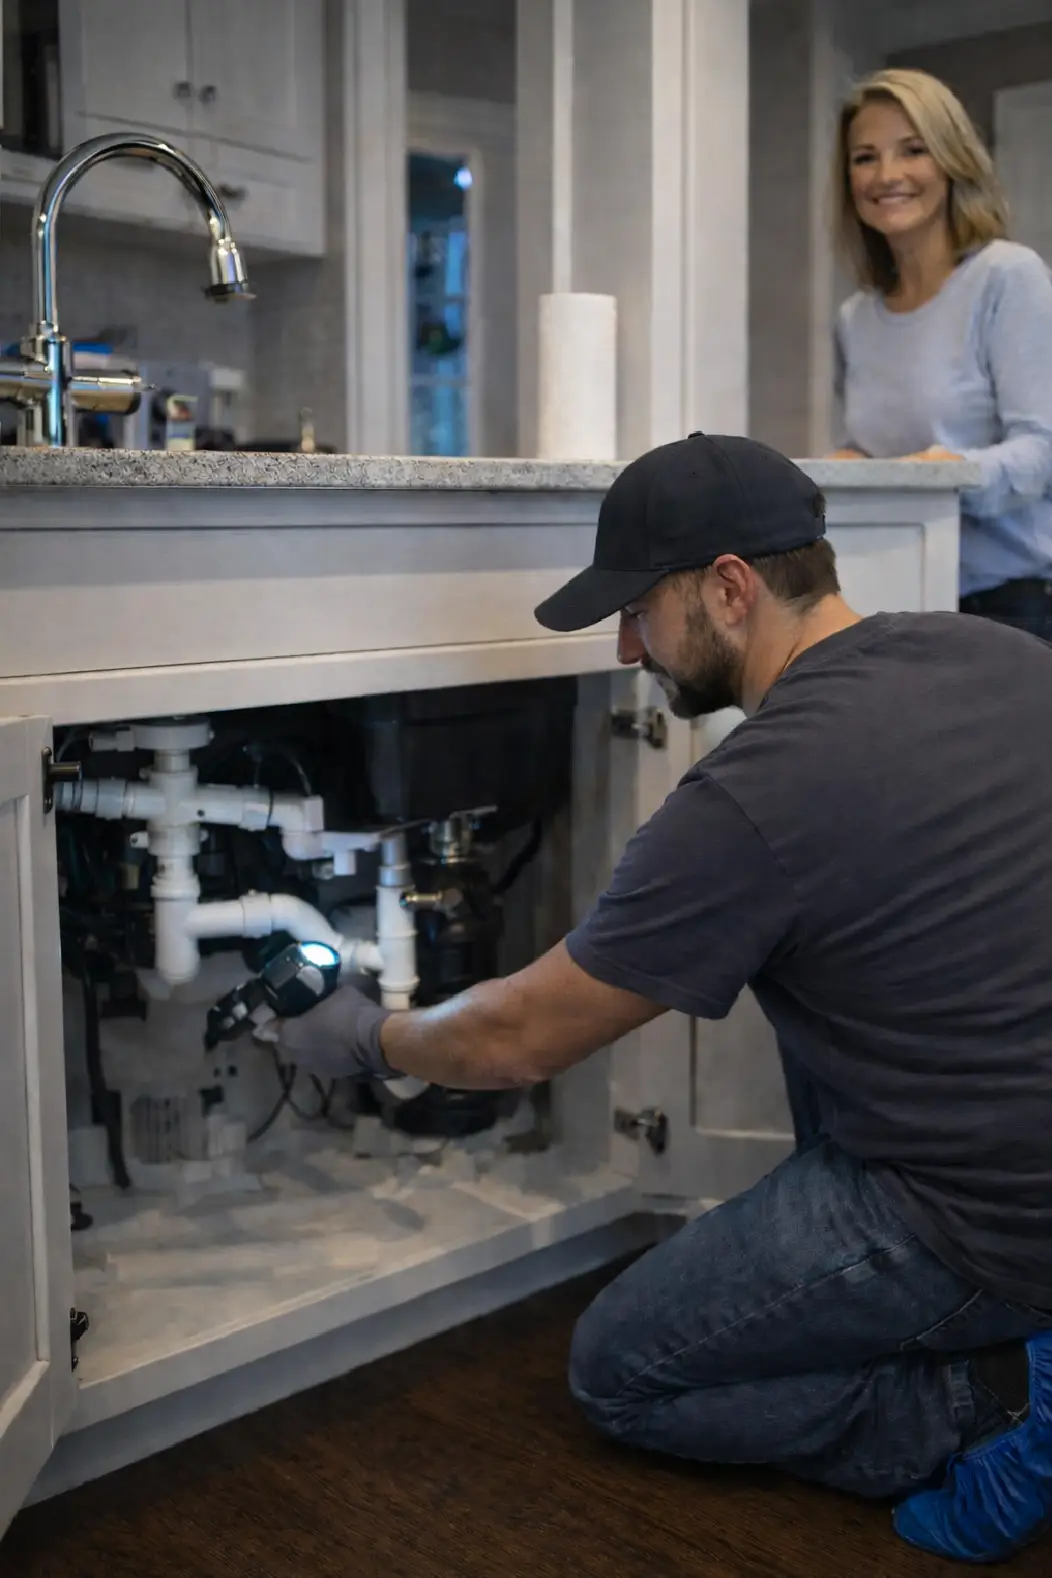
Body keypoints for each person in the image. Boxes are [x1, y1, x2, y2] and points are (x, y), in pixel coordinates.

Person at [276, 432, 1052, 1566]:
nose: (626, 642)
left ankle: (999, 1392)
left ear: (730, 588)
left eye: (639, 608)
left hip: (985, 1218)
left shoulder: (752, 799)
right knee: (825, 964)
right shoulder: (999, 655)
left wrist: (355, 1032)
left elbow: (511, 1041)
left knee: (620, 1373)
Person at [831, 68, 1052, 639]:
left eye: (913, 150)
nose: (887, 175)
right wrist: (848, 468)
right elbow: (876, 447)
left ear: (952, 160)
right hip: (892, 596)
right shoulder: (855, 318)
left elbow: (1041, 451)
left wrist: (948, 475)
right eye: (864, 158)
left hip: (1011, 610)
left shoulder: (1008, 277)